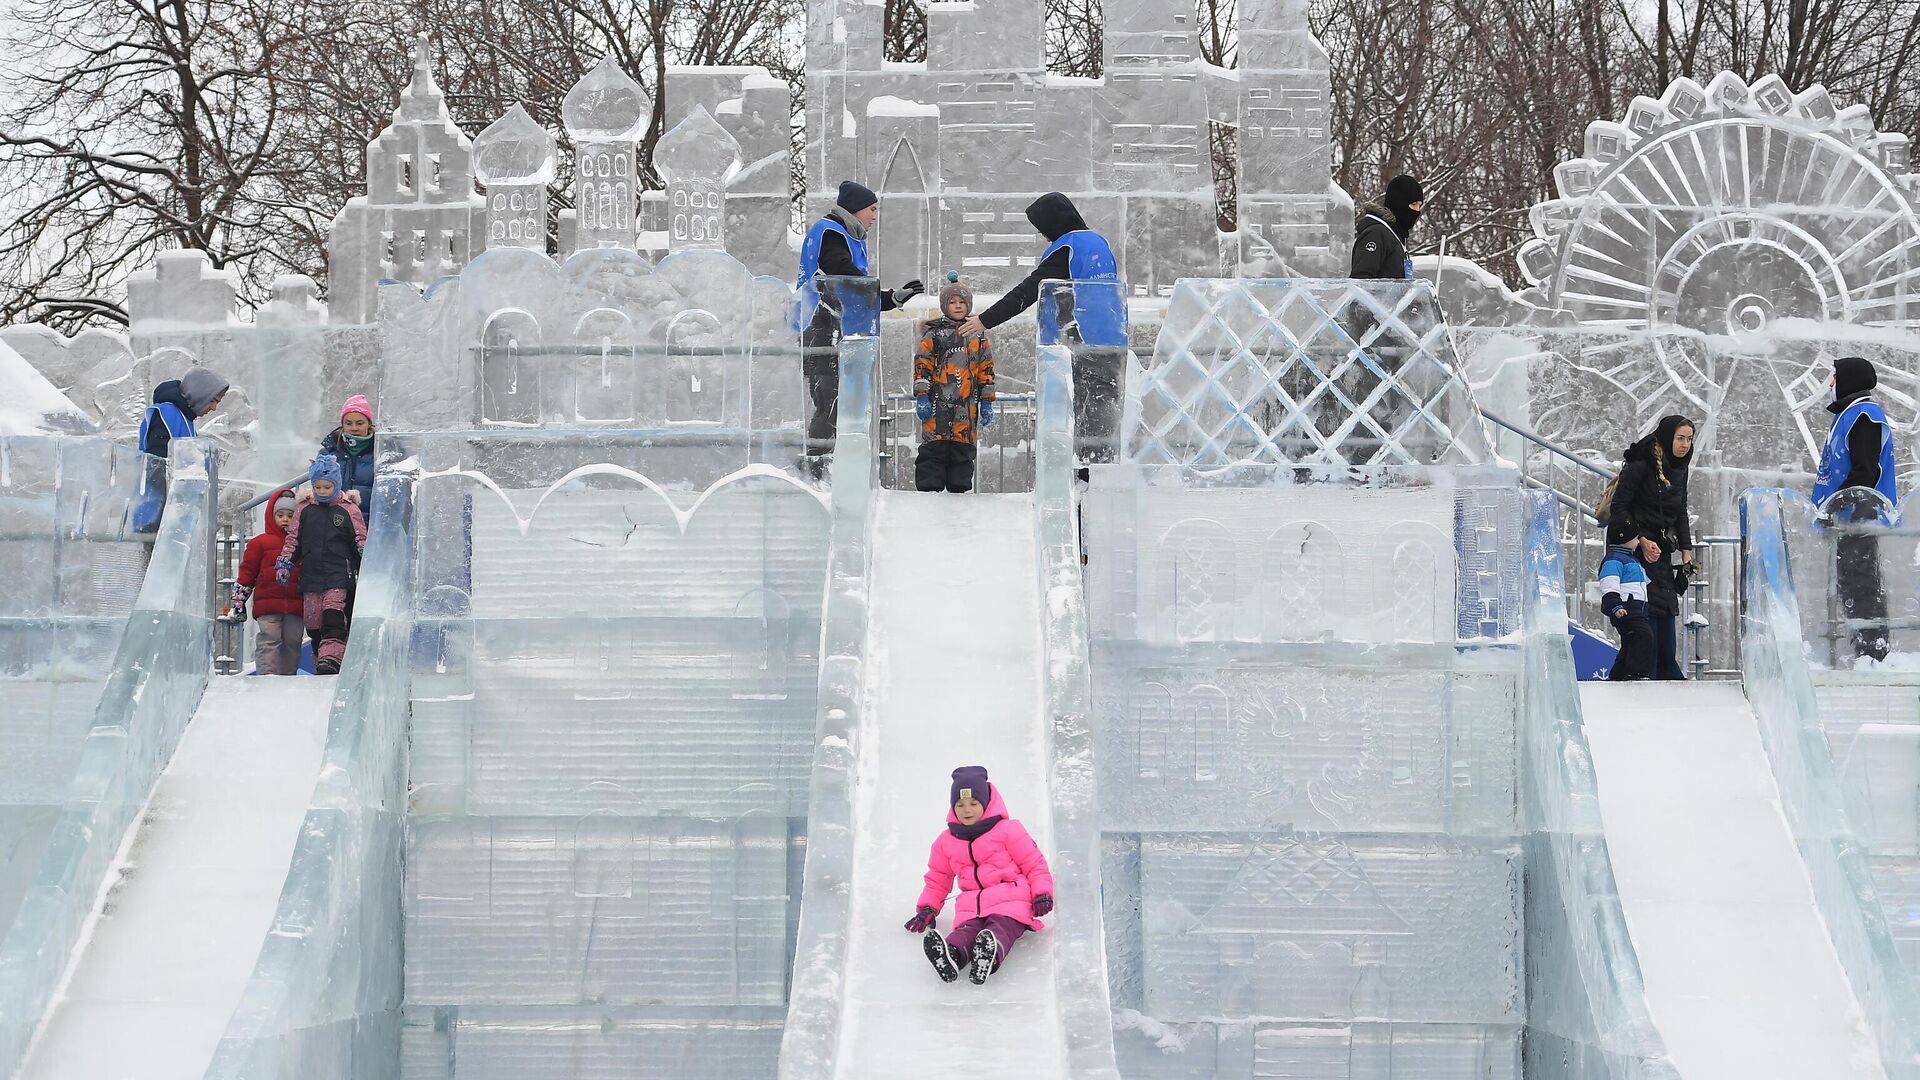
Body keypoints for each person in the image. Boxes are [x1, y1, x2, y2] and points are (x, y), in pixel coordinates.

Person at [959, 192, 1128, 464]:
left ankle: (1086, 482)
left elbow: (1029, 290)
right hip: (1113, 340)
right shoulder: (1098, 242)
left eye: (1041, 227)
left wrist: (985, 320)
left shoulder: (1067, 248)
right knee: (1104, 417)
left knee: (1084, 421)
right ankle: (1102, 476)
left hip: (1082, 345)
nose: (1041, 234)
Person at [795, 181, 925, 478]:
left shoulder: (847, 235)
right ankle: (817, 467)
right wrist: (881, 292)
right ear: (855, 209)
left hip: (836, 326)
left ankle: (825, 465)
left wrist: (890, 299)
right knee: (829, 399)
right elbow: (844, 275)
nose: (875, 216)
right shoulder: (831, 232)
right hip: (822, 328)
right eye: (872, 209)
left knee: (836, 399)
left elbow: (852, 292)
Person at [904, 766, 1054, 986]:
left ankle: (988, 957)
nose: (967, 810)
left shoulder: (1009, 831)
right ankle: (951, 955)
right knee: (967, 930)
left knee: (1000, 927)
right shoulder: (946, 842)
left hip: (1011, 900)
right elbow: (938, 878)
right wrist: (927, 908)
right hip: (972, 906)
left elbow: (1034, 864)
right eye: (960, 804)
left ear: (985, 804)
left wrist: (1042, 893)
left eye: (974, 803)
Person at [1813, 356, 1898, 662]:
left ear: (1849, 379)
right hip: (1846, 519)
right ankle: (1863, 647)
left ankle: (1873, 651)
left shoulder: (1864, 414)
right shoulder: (1848, 415)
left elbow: (1866, 471)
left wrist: (1838, 504)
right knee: (1850, 583)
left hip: (1860, 516)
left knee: (1862, 585)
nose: (1831, 384)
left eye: (1834, 377)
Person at [1607, 415, 1696, 680]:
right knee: (1643, 621)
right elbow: (1619, 508)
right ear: (1668, 436)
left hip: (1662, 552)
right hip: (1635, 551)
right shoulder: (1642, 462)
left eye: (1689, 439)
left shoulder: (1681, 466)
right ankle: (1637, 677)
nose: (1685, 445)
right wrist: (1640, 542)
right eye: (1680, 438)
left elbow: (1680, 509)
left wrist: (1687, 550)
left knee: (1665, 616)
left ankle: (1661, 677)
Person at [276, 456, 366, 676]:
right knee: (314, 623)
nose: (323, 491)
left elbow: (360, 538)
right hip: (311, 574)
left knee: (333, 615)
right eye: (318, 487)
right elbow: (293, 539)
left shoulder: (348, 509)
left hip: (339, 573)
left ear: (336, 484)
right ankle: (322, 659)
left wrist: (364, 559)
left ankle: (331, 658)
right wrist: (285, 561)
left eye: (328, 486)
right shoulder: (304, 509)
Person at [912, 275, 995, 493]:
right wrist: (921, 394)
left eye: (962, 302)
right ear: (944, 306)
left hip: (967, 407)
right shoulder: (935, 334)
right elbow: (922, 364)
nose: (957, 306)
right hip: (937, 404)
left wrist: (987, 401)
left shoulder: (978, 335)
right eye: (952, 302)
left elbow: (986, 370)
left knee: (962, 451)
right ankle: (929, 492)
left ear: (969, 305)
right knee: (934, 449)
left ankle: (959, 494)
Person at [133, 366, 228, 532]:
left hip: (171, 514)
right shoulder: (166, 414)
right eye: (212, 400)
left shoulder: (185, 420)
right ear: (199, 393)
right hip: (156, 514)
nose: (214, 408)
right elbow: (156, 469)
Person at [228, 487, 305, 675]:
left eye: (290, 515)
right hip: (268, 604)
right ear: (271, 516)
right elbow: (247, 573)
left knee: (292, 641)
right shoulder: (260, 543)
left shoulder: (302, 545)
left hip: (296, 605)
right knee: (269, 639)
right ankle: (267, 676)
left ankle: (287, 677)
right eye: (280, 515)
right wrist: (239, 601)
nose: (285, 520)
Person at [1598, 524, 1654, 681]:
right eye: (1636, 538)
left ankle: (1618, 675)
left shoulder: (1633, 560)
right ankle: (1636, 674)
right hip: (1626, 609)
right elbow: (1609, 586)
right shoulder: (1614, 560)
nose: (1638, 542)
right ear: (1625, 539)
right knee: (1643, 635)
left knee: (1630, 642)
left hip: (1636, 609)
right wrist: (1615, 606)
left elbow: (1645, 582)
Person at [1350, 174, 1424, 280]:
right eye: (1413, 204)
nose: (1417, 210)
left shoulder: (1395, 236)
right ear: (1399, 203)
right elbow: (1361, 280)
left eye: (1419, 205)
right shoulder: (1376, 234)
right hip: (1377, 297)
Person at [321, 394, 378, 512]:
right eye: (348, 423)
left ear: (369, 423)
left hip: (369, 523)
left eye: (359, 423)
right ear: (342, 424)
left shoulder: (381, 451)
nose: (354, 428)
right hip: (335, 524)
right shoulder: (328, 452)